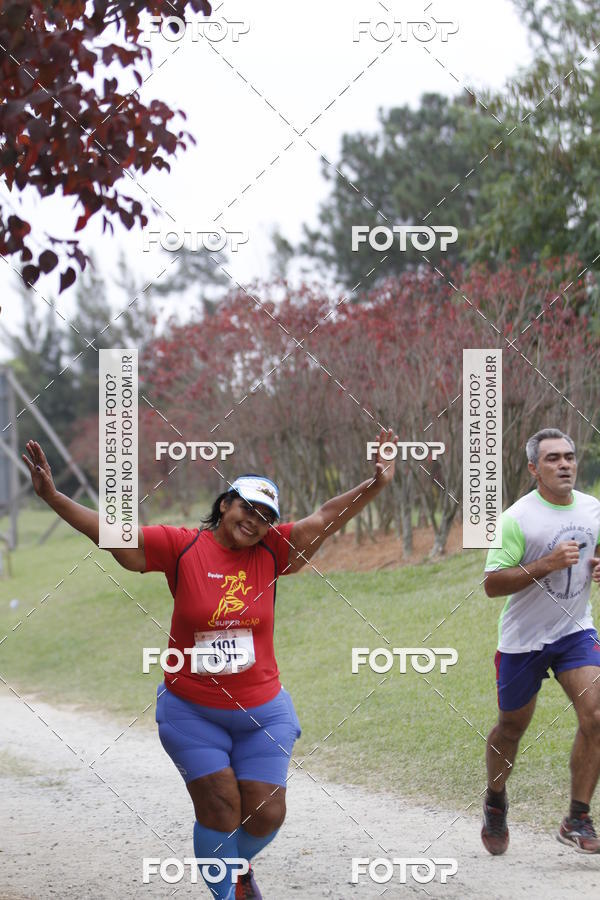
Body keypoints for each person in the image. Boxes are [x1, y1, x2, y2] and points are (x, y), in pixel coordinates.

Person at [23, 428, 398, 899]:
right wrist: (54, 497)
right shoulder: (181, 546)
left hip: (263, 710)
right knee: (221, 807)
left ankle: (234, 867)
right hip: (191, 710)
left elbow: (324, 516)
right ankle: (227, 890)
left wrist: (376, 485)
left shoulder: (275, 552)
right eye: (247, 507)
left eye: (265, 516)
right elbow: (114, 536)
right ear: (226, 504)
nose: (255, 521)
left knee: (267, 813)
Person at [482, 427, 600, 856]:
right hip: (523, 640)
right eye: (552, 459)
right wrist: (547, 563)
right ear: (534, 469)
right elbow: (492, 584)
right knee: (512, 727)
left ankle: (578, 816)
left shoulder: (592, 509)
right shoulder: (518, 519)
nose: (564, 464)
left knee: (597, 715)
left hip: (575, 631)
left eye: (569, 456)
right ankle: (496, 800)